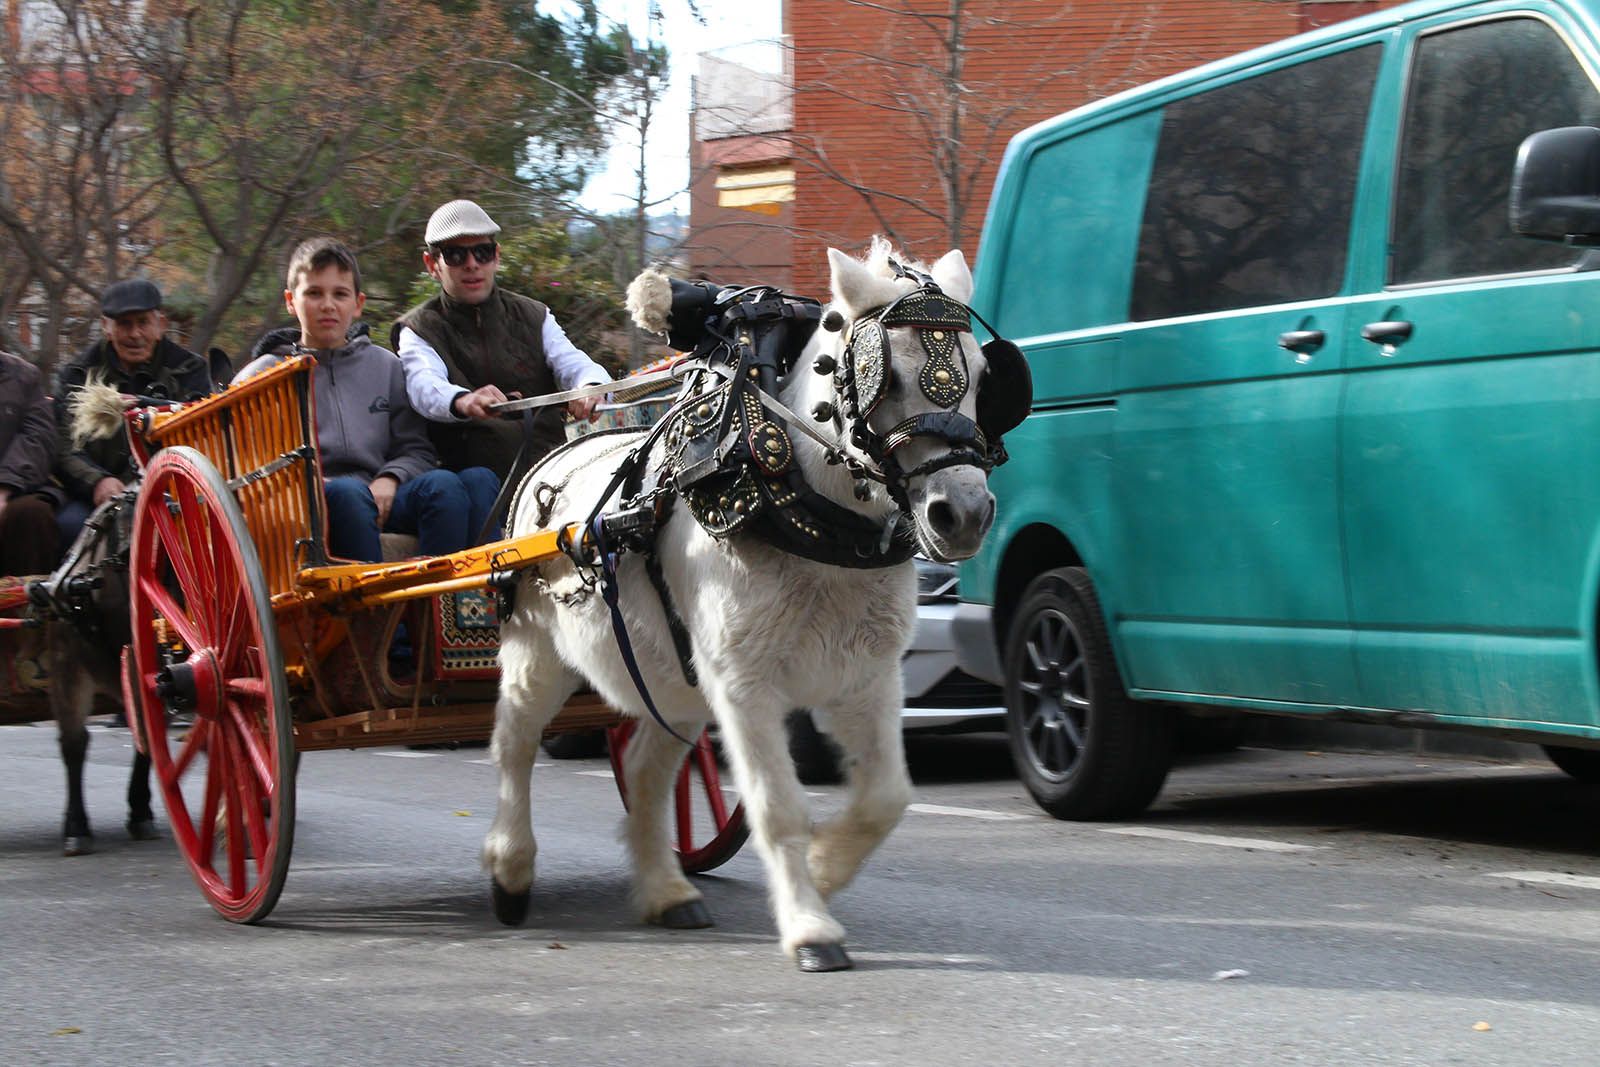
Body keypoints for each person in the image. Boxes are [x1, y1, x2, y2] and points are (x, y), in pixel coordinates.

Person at [236, 237, 496, 564]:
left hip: (385, 493)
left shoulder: (386, 366)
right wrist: (316, 482)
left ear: (358, 303)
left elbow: (416, 448)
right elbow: (247, 464)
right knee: (347, 493)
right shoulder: (261, 376)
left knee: (442, 486)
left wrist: (390, 479)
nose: (328, 305)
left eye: (340, 294)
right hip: (309, 505)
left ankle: (443, 608)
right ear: (291, 301)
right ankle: (377, 614)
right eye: (314, 293)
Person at [392, 199, 612, 482]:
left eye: (481, 252)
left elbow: (575, 363)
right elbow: (424, 386)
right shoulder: (417, 328)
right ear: (432, 264)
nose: (472, 264)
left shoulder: (535, 315)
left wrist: (591, 387)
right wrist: (463, 400)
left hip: (551, 482)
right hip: (472, 489)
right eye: (455, 255)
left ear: (496, 256)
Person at [53, 279, 213, 544]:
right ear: (106, 328)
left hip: (172, 491)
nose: (135, 334)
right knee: (68, 526)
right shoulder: (78, 374)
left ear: (160, 325)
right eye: (124, 324)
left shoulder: (189, 369)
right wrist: (98, 482)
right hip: (97, 495)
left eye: (143, 322)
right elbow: (65, 447)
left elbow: (201, 430)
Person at [0, 350, 64, 576]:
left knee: (32, 514)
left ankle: (31, 606)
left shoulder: (24, 376)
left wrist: (4, 488)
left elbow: (38, 437)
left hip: (17, 487)